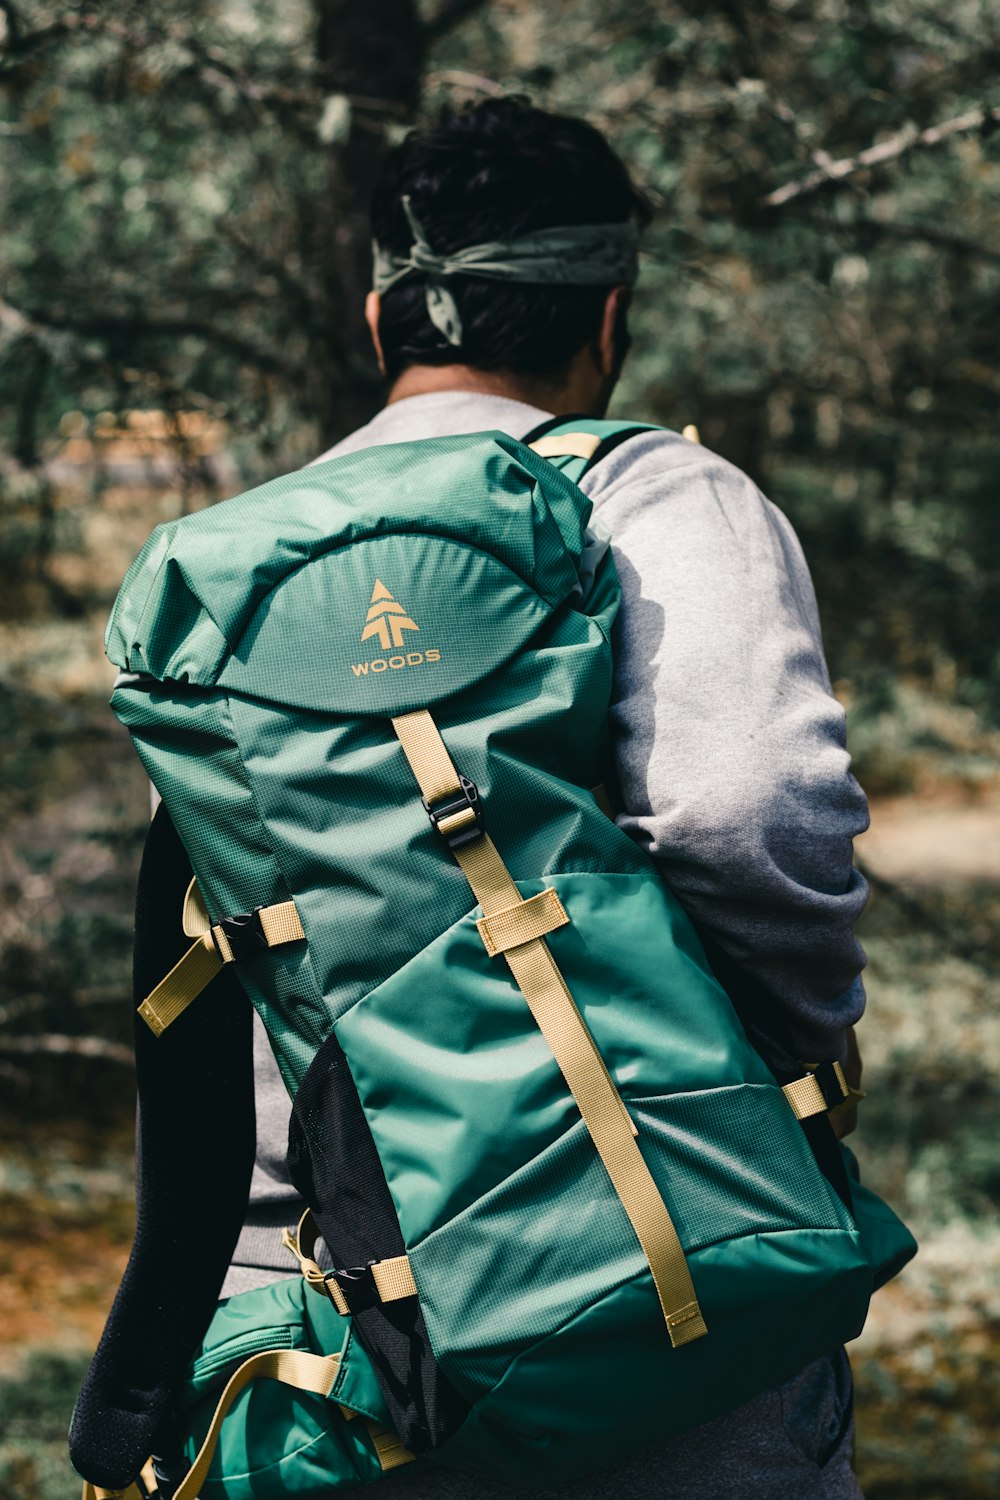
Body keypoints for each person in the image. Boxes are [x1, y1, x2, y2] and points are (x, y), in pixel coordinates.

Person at [220, 97, 869, 1498]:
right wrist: (782, 1084)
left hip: (343, 1307)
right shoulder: (656, 499)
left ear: (383, 315)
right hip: (657, 1277)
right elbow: (752, 809)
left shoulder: (239, 569)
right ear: (610, 315)